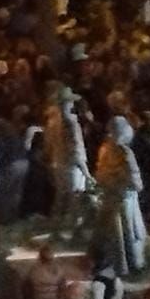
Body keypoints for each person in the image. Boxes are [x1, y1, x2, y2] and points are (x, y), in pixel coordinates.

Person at [91, 117, 145, 277]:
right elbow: (136, 183)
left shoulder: (104, 148)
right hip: (124, 199)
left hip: (109, 196)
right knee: (125, 234)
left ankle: (101, 260)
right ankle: (126, 265)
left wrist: (109, 180)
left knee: (107, 231)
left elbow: (99, 173)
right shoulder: (125, 153)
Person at [46, 88, 92, 239]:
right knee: (75, 200)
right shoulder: (72, 123)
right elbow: (76, 151)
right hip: (72, 166)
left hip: (57, 164)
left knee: (60, 198)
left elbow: (48, 146)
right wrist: (86, 173)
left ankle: (55, 230)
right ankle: (76, 233)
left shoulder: (52, 122)